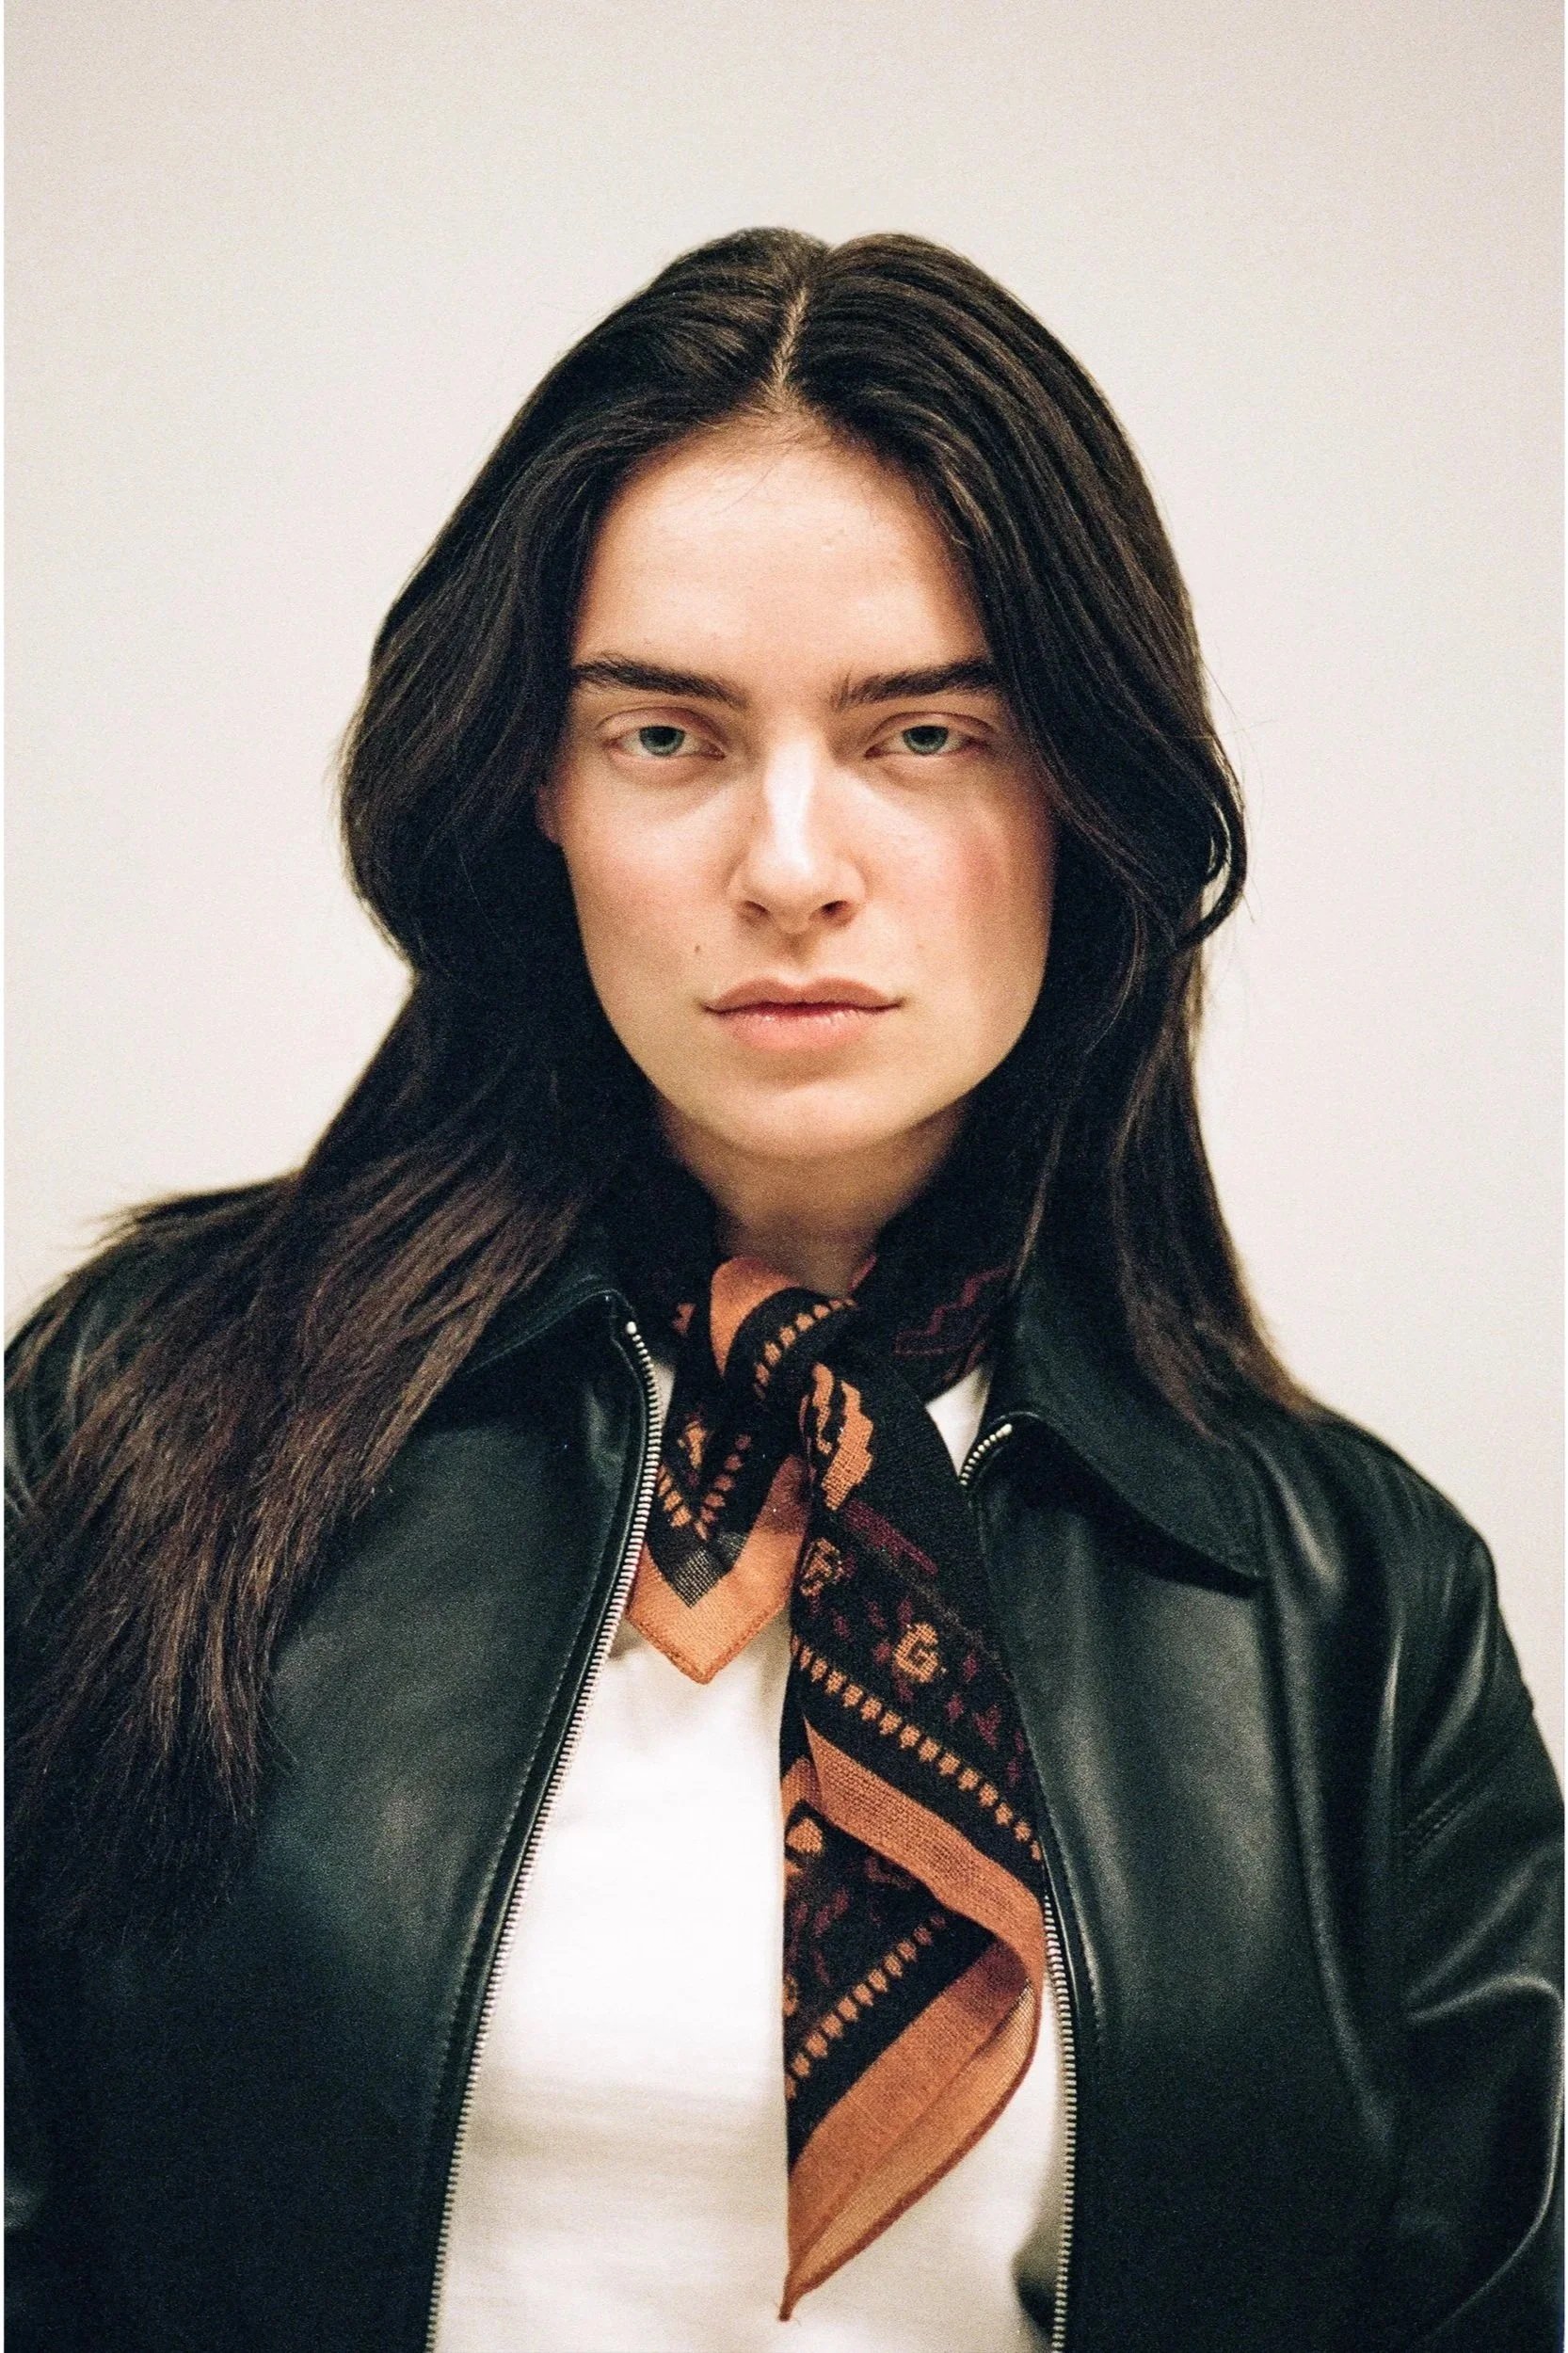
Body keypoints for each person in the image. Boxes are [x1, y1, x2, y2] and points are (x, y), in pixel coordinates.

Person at [6, 227, 1560, 2353]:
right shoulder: (133, 1421)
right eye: (667, 733)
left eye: (921, 731)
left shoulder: (1351, 1615)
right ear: (530, 792)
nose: (793, 857)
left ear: (1083, 795)